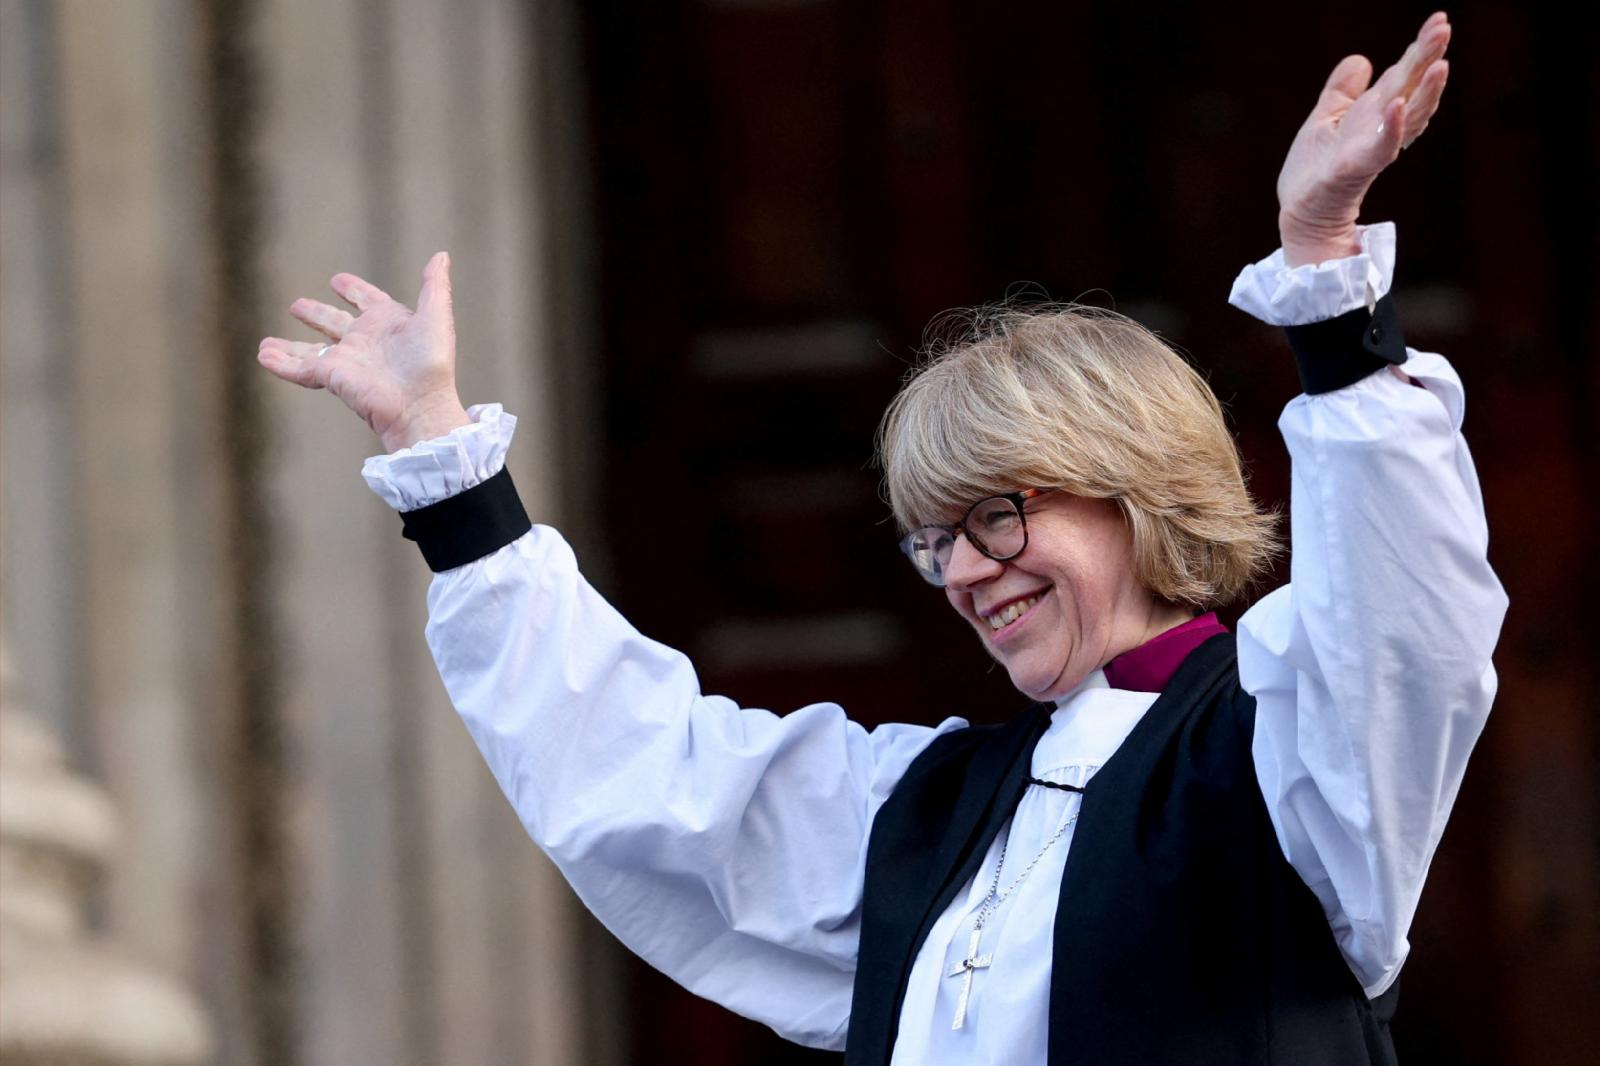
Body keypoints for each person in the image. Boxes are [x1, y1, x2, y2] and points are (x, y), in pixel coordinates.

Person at [259, 12, 1506, 1064]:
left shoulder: (1287, 761)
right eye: (934, 540)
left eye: (996, 515)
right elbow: (650, 780)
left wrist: (1328, 278)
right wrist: (446, 467)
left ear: (1134, 490)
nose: (963, 571)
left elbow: (1402, 629)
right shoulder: (931, 814)